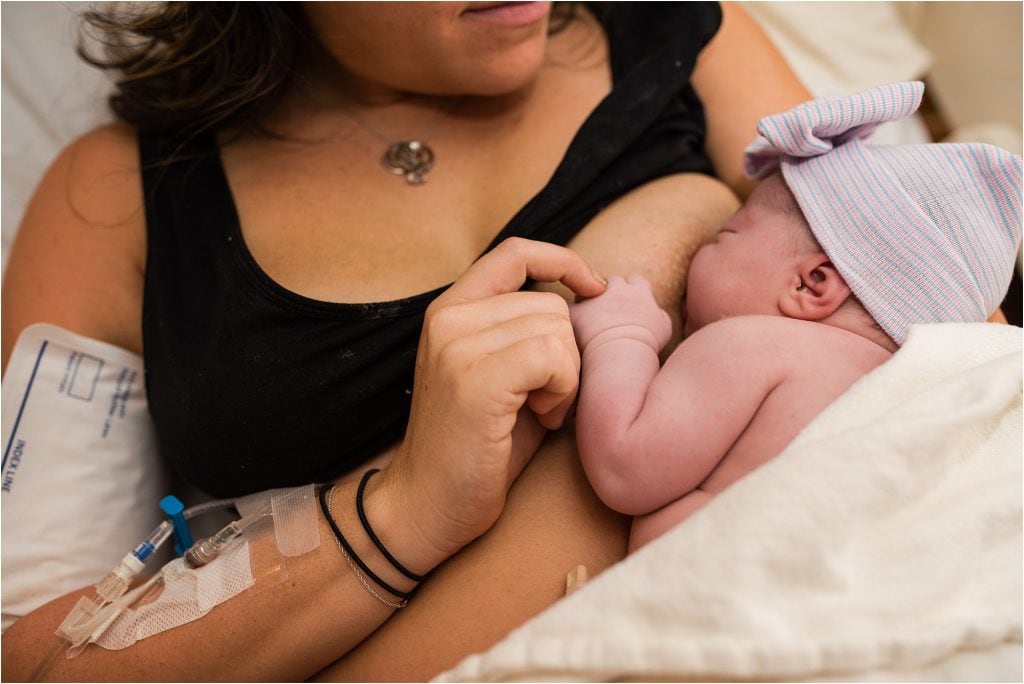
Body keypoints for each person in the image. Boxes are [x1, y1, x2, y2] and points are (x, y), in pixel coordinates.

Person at [0, 3, 812, 681]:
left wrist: (662, 234)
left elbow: (902, 319)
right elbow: (35, 662)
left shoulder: (683, 29)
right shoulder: (111, 199)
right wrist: (403, 509)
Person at [569, 81, 1023, 553]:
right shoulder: (918, 391)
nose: (701, 249)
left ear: (810, 285)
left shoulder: (750, 344)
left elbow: (624, 469)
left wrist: (621, 336)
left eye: (726, 233)